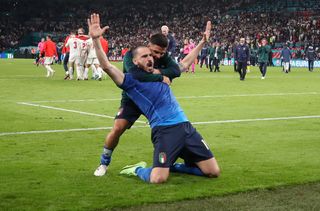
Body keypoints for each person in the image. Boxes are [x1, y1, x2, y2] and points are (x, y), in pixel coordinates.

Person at [89, 13, 220, 183]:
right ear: (135, 61)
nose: (152, 58)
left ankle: (172, 166)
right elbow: (106, 66)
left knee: (214, 172)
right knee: (118, 128)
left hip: (185, 126)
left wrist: (202, 42)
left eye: (152, 56)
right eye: (146, 56)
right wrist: (95, 40)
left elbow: (184, 64)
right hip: (155, 121)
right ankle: (112, 164)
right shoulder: (131, 79)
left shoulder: (161, 64)